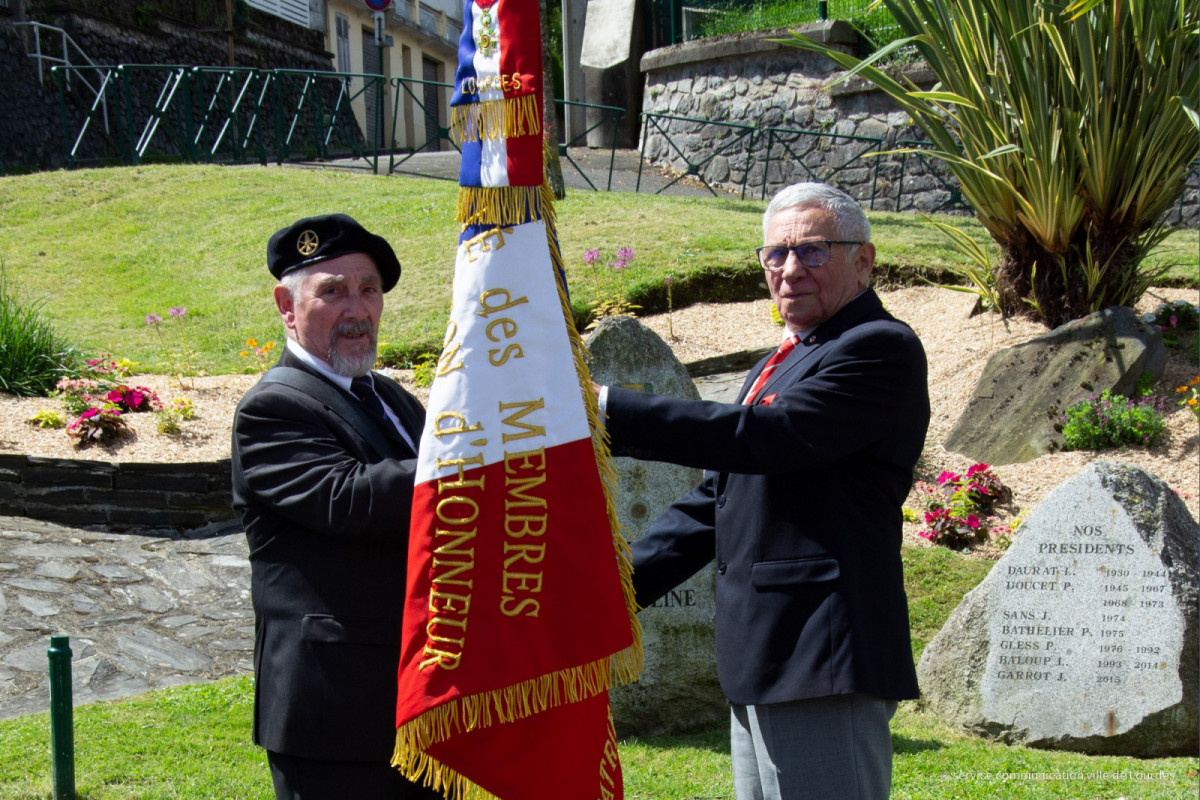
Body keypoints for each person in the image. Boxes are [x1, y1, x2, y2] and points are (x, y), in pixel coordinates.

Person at [599, 182, 930, 799]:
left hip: (821, 652)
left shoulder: (879, 348)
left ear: (864, 260)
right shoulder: (786, 358)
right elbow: (716, 502)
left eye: (812, 251)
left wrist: (603, 411)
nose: (789, 269)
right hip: (764, 653)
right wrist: (613, 589)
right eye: (774, 254)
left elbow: (768, 437)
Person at [231, 214, 441, 800]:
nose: (357, 308)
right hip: (335, 717)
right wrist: (473, 459)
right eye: (332, 290)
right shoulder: (273, 407)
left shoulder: (393, 398)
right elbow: (347, 497)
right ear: (286, 305)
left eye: (368, 289)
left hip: (419, 697)